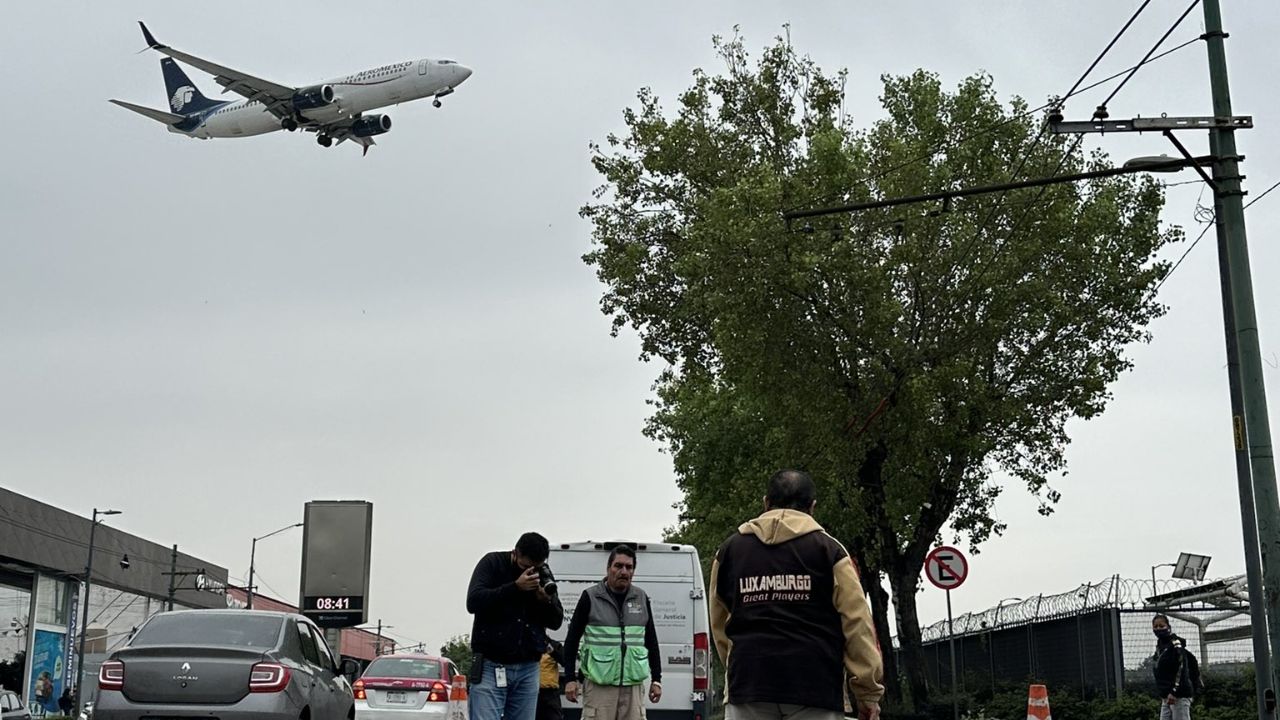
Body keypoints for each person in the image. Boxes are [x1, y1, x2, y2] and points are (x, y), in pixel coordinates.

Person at [710, 469, 884, 720]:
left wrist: (737, 665)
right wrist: (867, 692)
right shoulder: (830, 551)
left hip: (748, 682)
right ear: (812, 507)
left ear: (766, 503)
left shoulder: (729, 551)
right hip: (815, 686)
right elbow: (857, 623)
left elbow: (719, 621)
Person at [467, 532, 565, 720]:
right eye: (525, 566)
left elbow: (556, 621)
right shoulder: (493, 562)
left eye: (536, 567)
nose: (530, 572)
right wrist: (515, 587)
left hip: (528, 666)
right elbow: (473, 602)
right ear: (515, 553)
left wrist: (545, 601)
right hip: (491, 664)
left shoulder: (543, 574)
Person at [562, 545, 663, 720]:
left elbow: (651, 641)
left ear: (633, 571)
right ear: (608, 568)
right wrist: (570, 678)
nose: (624, 571)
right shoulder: (590, 597)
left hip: (633, 687)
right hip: (599, 686)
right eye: (618, 566)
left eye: (629, 567)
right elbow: (571, 640)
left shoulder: (641, 598)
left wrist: (656, 679)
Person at [1153, 614, 1198, 720]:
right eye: (1156, 626)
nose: (1158, 629)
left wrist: (1174, 691)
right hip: (1165, 695)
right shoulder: (1160, 646)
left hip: (1178, 694)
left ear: (1168, 627)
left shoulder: (1175, 645)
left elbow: (1181, 668)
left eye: (1161, 626)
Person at [537, 638, 565, 720]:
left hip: (549, 693)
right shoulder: (525, 644)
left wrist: (551, 649)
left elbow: (564, 660)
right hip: (529, 693)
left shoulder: (553, 644)